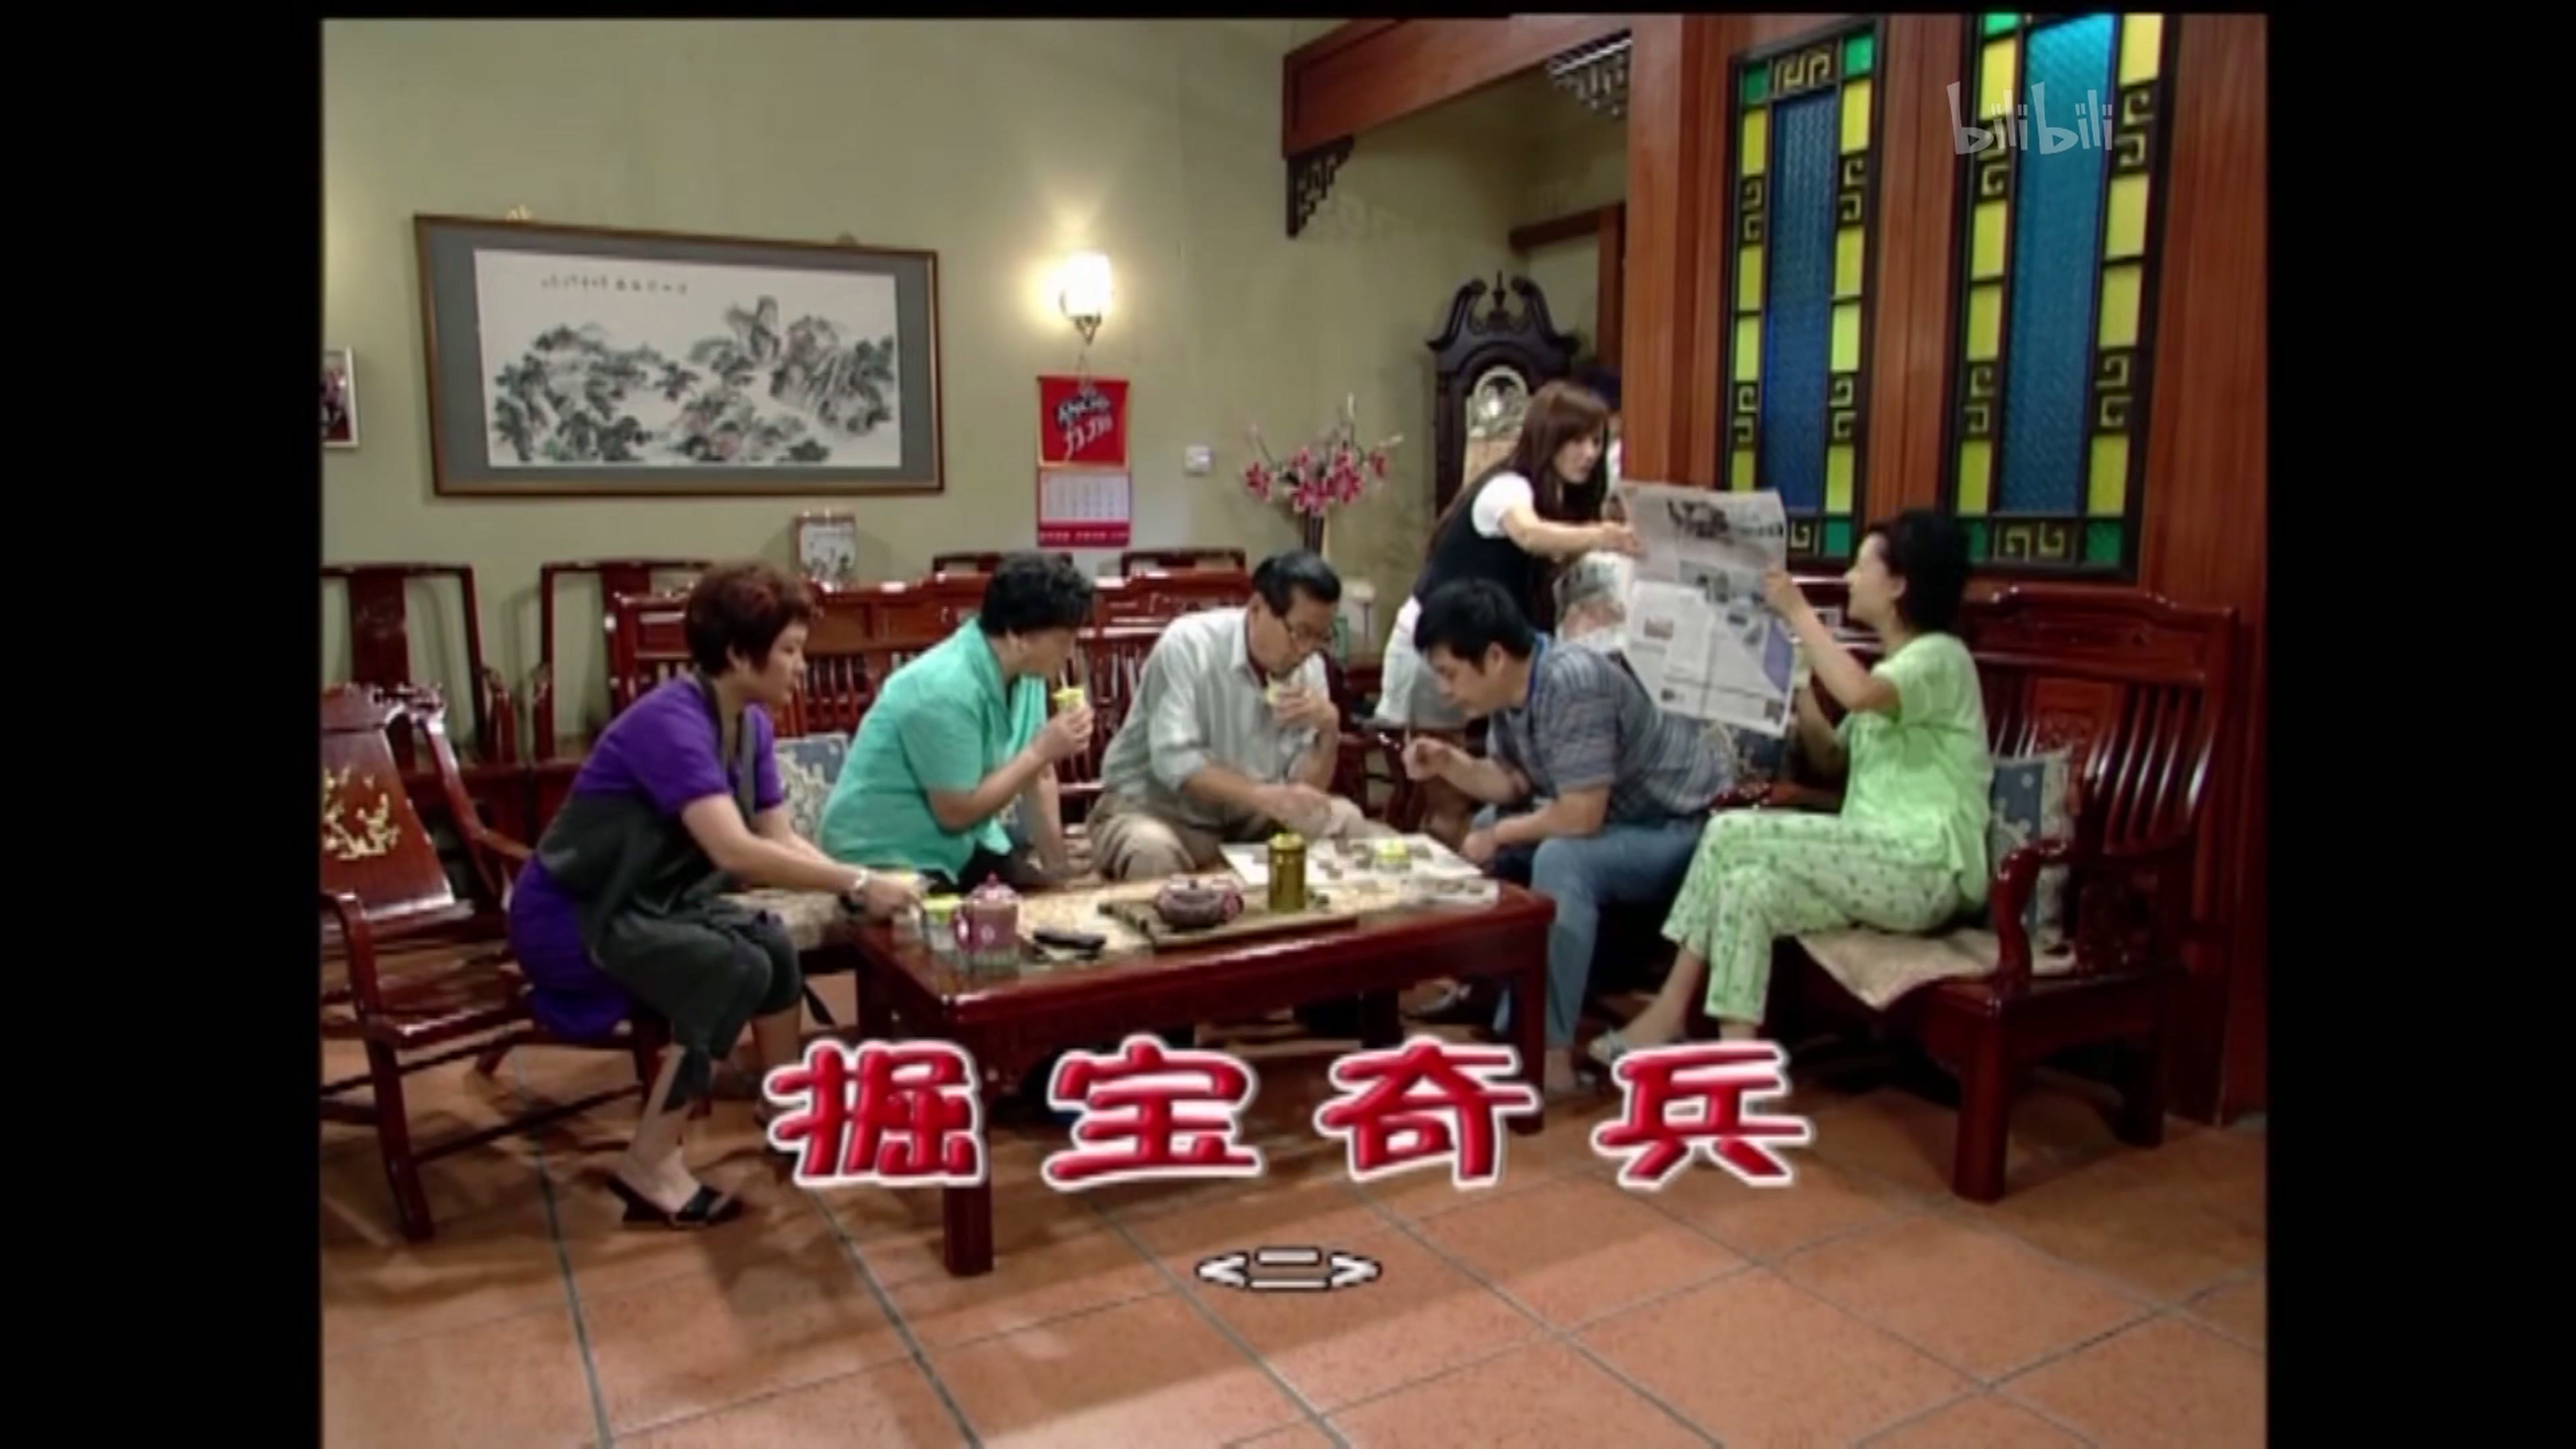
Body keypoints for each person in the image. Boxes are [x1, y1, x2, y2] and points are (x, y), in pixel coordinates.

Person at [507, 561, 920, 1230]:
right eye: (790, 651)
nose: (801, 667)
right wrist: (858, 882)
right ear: (737, 653)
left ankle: (783, 1106)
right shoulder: (671, 723)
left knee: (771, 944)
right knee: (733, 967)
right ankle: (650, 1162)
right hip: (578, 914)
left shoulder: (749, 723)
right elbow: (734, 851)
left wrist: (859, 886)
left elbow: (778, 837)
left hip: (650, 901)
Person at [1592, 511, 1992, 1062]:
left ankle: (1670, 1009)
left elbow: (1858, 694)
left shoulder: (1941, 658)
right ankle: (1737, 1066)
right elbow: (1831, 758)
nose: (1850, 578)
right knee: (1749, 888)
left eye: (1861, 567)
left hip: (1926, 866)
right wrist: (1798, 683)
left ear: (1898, 585)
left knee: (1730, 832)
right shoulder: (1895, 672)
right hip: (1878, 861)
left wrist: (1798, 611)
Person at [1400, 579, 1734, 1093]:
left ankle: (1548, 1050)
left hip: (1676, 825)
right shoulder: (1513, 691)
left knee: (1561, 859)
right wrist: (1451, 764)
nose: (1445, 689)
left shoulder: (1573, 681)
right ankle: (1492, 994)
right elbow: (1512, 782)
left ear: (1494, 657)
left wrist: (1502, 834)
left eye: (1449, 673)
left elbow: (1581, 814)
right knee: (1489, 826)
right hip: (1618, 821)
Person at [1371, 380, 1642, 759]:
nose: (1590, 454)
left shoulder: (1561, 501)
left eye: (1597, 442)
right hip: (1436, 651)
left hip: (1485, 657)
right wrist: (1604, 536)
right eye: (1577, 441)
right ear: (1549, 438)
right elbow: (1529, 535)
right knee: (1441, 775)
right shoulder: (1507, 488)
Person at [1089, 549, 1385, 879]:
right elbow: (1176, 763)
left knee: (1348, 822)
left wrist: (1329, 731)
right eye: (1300, 633)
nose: (1306, 650)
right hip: (1160, 810)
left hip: (1249, 815)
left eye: (1322, 637)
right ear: (1257, 609)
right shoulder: (1188, 645)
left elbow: (1303, 791)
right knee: (1151, 851)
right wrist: (1264, 797)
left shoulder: (1310, 667)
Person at [818, 553, 1095, 891]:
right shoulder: (945, 688)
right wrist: (1040, 751)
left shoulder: (1029, 674)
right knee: (962, 920)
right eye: (1064, 641)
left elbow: (1040, 776)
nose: (1070, 652)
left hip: (963, 845)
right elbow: (955, 813)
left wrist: (1058, 869)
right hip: (884, 851)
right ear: (1018, 636)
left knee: (1046, 902)